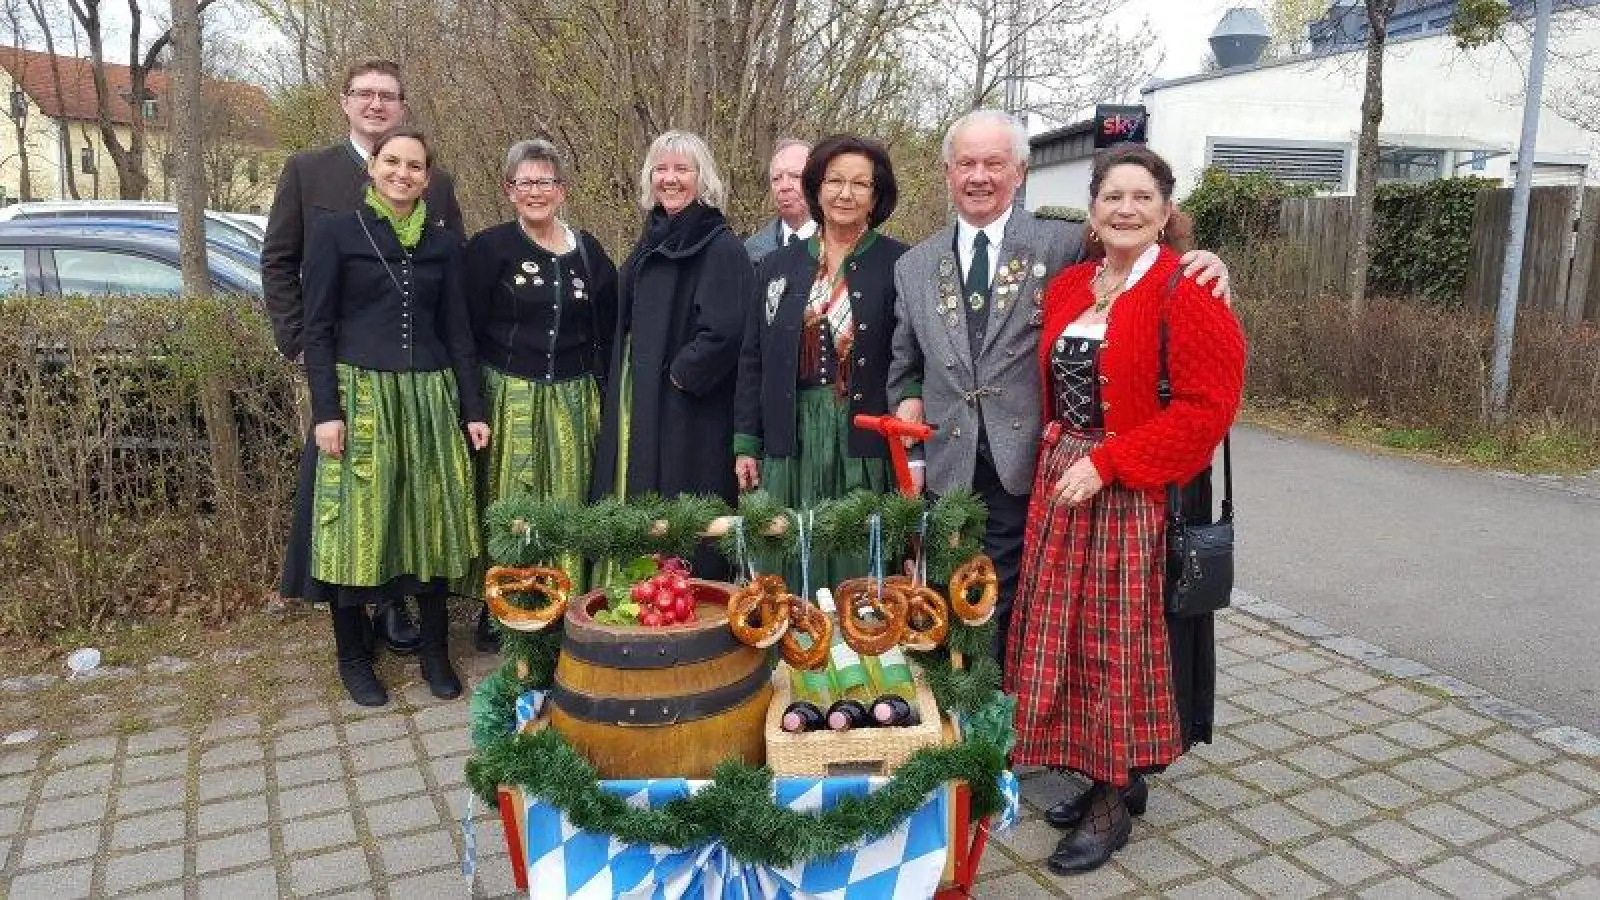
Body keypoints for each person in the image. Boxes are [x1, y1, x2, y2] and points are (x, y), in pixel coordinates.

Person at [886, 109, 1229, 669]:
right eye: (966, 163)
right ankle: (953, 710)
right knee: (945, 591)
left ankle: (993, 720)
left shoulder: (1062, 245)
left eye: (994, 163)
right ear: (947, 172)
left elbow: (1138, 254)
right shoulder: (914, 265)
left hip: (1029, 462)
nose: (979, 176)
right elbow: (904, 364)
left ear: (1018, 171)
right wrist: (908, 414)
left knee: (1014, 599)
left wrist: (1206, 263)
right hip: (948, 460)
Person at [1005, 144, 1245, 874]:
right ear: (1092, 210)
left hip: (1130, 493)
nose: (1127, 209)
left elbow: (1209, 412)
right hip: (1062, 481)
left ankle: (1113, 802)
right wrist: (1068, 463)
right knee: (1066, 638)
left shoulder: (1189, 288)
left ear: (1166, 212)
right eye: (1114, 196)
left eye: (1143, 197)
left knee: (1115, 647)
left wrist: (1107, 465)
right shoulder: (1074, 284)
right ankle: (1103, 772)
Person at [265, 58, 465, 655]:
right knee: (352, 497)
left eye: (389, 96)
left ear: (402, 105)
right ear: (345, 101)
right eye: (366, 94)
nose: (376, 104)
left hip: (417, 376)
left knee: (409, 493)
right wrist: (300, 344)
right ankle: (365, 619)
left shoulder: (439, 182)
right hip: (343, 369)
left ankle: (398, 609)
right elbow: (279, 261)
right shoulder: (307, 171)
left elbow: (449, 276)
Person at [297, 126, 489, 707]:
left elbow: (459, 333)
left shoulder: (443, 245)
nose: (402, 173)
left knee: (429, 524)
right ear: (372, 167)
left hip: (429, 400)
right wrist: (326, 411)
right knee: (356, 528)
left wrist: (471, 409)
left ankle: (434, 650)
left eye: (414, 166)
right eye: (391, 162)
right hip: (360, 401)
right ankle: (353, 657)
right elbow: (318, 328)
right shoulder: (335, 234)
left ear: (428, 178)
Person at [461, 140, 618, 648]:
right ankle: (505, 606)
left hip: (574, 399)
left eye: (545, 182)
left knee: (569, 501)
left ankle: (565, 603)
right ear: (509, 191)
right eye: (524, 182)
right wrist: (474, 404)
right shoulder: (489, 249)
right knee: (514, 500)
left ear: (562, 190)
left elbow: (612, 326)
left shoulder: (589, 253)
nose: (535, 192)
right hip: (511, 397)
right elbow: (464, 329)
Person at [733, 134, 905, 587]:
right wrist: (747, 443)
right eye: (834, 181)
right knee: (787, 557)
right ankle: (786, 654)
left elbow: (911, 356)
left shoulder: (899, 264)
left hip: (861, 442)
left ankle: (857, 654)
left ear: (876, 195)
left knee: (854, 562)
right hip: (791, 440)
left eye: (860, 184)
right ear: (817, 187)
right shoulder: (777, 265)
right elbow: (754, 357)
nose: (845, 194)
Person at [591, 131, 754, 579]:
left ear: (702, 179)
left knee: (684, 512)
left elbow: (725, 330)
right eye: (661, 169)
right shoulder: (652, 238)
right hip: (642, 399)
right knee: (644, 502)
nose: (670, 179)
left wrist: (680, 376)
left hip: (687, 412)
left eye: (682, 169)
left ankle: (692, 614)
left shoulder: (718, 245)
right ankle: (641, 596)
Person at [744, 139, 814, 264]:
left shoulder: (845, 246)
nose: (784, 186)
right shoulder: (751, 252)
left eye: (795, 176)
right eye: (776, 179)